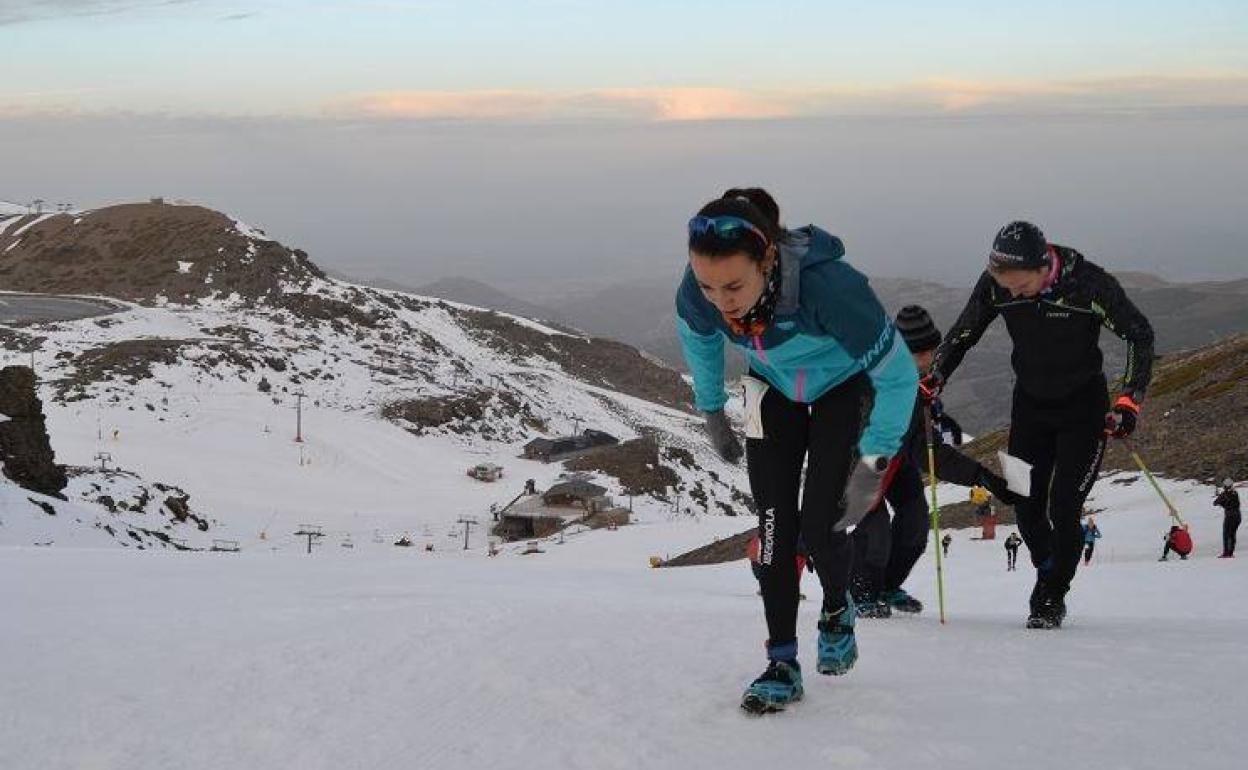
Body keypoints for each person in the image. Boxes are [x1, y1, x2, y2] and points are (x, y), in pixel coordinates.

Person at [676, 187, 917, 714]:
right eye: (708, 285)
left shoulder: (828, 289)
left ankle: (836, 606)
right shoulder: (702, 292)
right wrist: (712, 407)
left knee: (821, 523)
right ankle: (781, 662)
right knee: (773, 531)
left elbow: (898, 376)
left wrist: (875, 459)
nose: (721, 300)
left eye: (734, 285)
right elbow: (698, 336)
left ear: (767, 260)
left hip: (842, 387)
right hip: (772, 388)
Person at [927, 221, 1154, 629]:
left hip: (1083, 411)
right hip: (1029, 408)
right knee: (1024, 505)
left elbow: (1139, 334)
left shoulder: (1087, 283)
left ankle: (1052, 593)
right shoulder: (997, 283)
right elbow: (964, 333)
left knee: (1064, 507)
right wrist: (935, 377)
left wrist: (1127, 402)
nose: (1011, 293)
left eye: (1020, 285)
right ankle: (1048, 566)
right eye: (1005, 285)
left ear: (1042, 265)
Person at [849, 305, 1024, 618]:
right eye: (923, 354)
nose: (931, 361)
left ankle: (887, 586)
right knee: (876, 535)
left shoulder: (914, 383)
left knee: (915, 525)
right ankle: (860, 590)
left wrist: (980, 476)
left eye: (932, 352)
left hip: (897, 461)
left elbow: (925, 448)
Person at [1214, 479, 1241, 558]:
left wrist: (1222, 503)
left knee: (1226, 534)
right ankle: (1230, 552)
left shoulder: (1225, 494)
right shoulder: (1235, 493)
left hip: (1230, 516)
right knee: (1232, 534)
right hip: (1237, 516)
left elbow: (1215, 502)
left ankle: (1226, 553)